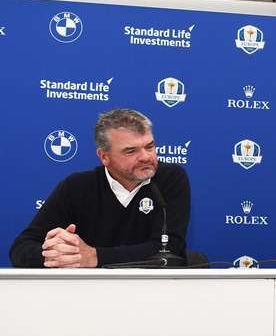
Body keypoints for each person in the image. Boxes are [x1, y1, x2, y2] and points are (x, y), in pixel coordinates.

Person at [9, 109, 190, 268]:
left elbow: (169, 249)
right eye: (131, 151)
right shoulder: (77, 187)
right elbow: (22, 247)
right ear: (104, 157)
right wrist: (61, 255)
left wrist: (95, 257)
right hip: (86, 294)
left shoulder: (169, 179)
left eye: (150, 147)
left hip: (153, 293)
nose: (145, 157)